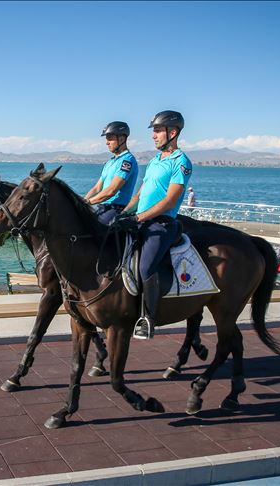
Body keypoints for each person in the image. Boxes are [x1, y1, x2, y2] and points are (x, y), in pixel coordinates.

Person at [122, 110, 192, 340]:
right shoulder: (155, 160)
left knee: (145, 267)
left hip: (161, 224)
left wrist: (139, 218)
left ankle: (148, 319)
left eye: (158, 131)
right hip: (141, 220)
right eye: (154, 131)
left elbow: (170, 200)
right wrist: (125, 213)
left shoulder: (181, 162)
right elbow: (142, 192)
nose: (154, 136)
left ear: (173, 132)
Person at [84, 121, 138, 225]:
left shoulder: (127, 161)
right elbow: (97, 188)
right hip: (102, 206)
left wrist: (88, 202)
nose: (106, 142)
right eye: (106, 139)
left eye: (110, 138)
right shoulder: (110, 162)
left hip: (116, 208)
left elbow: (112, 190)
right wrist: (81, 202)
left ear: (121, 139)